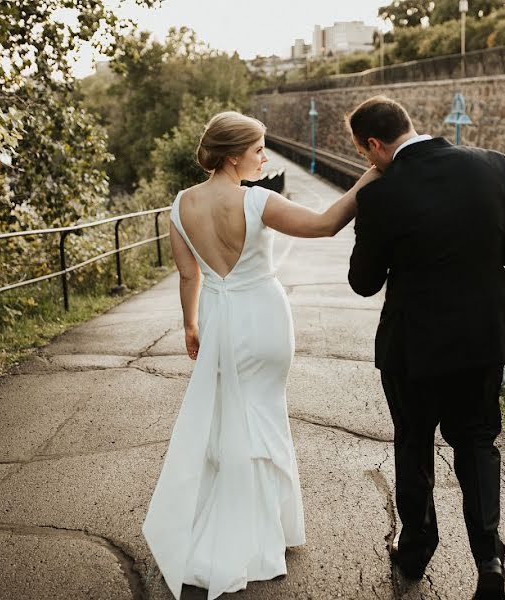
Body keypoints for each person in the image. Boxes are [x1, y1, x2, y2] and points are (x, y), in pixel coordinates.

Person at [141, 111, 379, 600]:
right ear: (234, 155)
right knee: (265, 416)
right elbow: (325, 224)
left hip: (217, 319)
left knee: (229, 418)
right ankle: (262, 531)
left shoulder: (180, 204)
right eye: (257, 150)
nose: (265, 158)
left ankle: (235, 528)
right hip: (264, 319)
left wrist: (190, 325)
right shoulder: (258, 201)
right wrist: (371, 176)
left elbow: (191, 277)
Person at [345, 95, 505, 600]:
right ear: (409, 126)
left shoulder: (380, 194)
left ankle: (416, 551)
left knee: (413, 444)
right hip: (482, 343)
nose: (366, 162)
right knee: (478, 443)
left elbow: (364, 283)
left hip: (412, 350)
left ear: (375, 145)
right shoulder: (492, 168)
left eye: (363, 153)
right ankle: (490, 561)